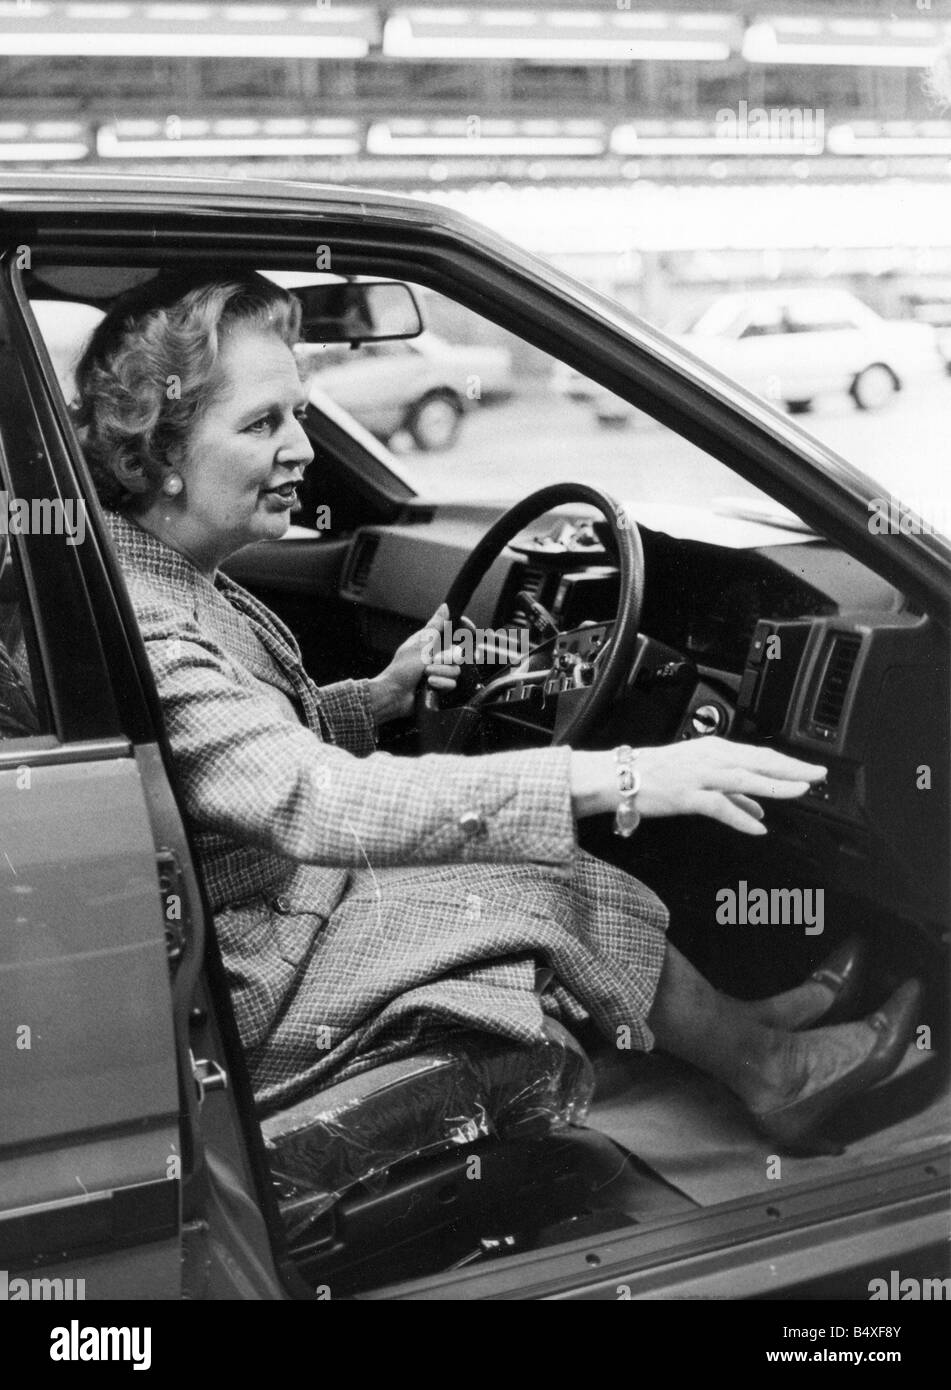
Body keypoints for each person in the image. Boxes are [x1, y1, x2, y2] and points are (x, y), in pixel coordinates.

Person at [72, 271, 920, 1154]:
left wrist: (381, 696)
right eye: (261, 425)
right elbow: (310, 798)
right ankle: (776, 1074)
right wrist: (624, 773)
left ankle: (743, 1029)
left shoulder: (161, 575)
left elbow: (238, 744)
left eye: (299, 414)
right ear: (157, 454)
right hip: (263, 976)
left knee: (529, 859)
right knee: (533, 875)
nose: (302, 450)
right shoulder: (153, 625)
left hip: (270, 915)